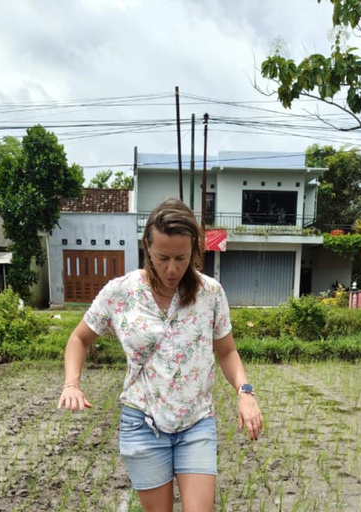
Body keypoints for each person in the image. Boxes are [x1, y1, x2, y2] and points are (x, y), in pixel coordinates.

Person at [58, 198, 263, 512]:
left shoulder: (210, 293)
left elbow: (227, 351)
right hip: (142, 423)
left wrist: (244, 391)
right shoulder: (121, 292)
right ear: (147, 249)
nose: (172, 269)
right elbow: (79, 339)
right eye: (162, 257)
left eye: (181, 258)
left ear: (194, 250)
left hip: (196, 422)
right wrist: (71, 383)